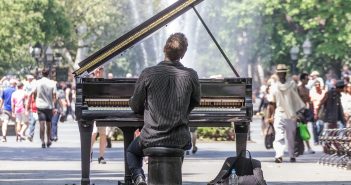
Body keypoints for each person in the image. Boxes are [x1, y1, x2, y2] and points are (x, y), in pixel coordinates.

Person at [126, 33, 200, 185]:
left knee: (132, 151)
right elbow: (196, 101)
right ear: (183, 54)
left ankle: (139, 177)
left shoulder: (148, 73)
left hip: (151, 137)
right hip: (179, 137)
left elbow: (136, 105)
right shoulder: (191, 75)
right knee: (181, 145)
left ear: (164, 49)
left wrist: (133, 103)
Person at [270, 64, 305, 163]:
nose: (281, 74)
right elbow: (272, 102)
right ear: (277, 73)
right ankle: (279, 155)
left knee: (291, 136)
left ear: (285, 73)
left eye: (282, 72)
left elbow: (297, 98)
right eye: (279, 72)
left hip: (291, 114)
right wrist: (271, 115)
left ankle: (292, 155)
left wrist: (298, 112)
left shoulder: (292, 84)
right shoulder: (274, 86)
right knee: (279, 135)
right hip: (279, 112)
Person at [33, 68, 57, 148]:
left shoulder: (37, 82)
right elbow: (54, 96)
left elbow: (34, 93)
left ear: (42, 74)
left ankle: (42, 141)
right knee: (49, 124)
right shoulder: (52, 83)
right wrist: (53, 106)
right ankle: (48, 140)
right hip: (49, 106)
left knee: (41, 124)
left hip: (40, 105)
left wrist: (35, 100)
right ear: (48, 74)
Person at [90, 67, 107, 164]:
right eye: (97, 70)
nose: (98, 72)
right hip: (93, 110)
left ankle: (101, 156)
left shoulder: (104, 83)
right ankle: (89, 152)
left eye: (100, 70)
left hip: (102, 110)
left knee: (103, 134)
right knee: (93, 133)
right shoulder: (91, 83)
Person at [297, 73, 315, 154]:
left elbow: (308, 100)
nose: (308, 80)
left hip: (304, 111)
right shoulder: (297, 89)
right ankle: (298, 147)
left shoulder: (307, 89)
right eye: (307, 79)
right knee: (297, 129)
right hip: (297, 111)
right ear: (302, 80)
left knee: (304, 128)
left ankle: (308, 147)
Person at [310, 80, 326, 144]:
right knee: (314, 126)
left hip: (321, 110)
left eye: (318, 84)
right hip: (314, 109)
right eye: (316, 85)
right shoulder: (312, 92)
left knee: (321, 125)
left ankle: (320, 138)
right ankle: (316, 140)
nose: (317, 86)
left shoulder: (323, 92)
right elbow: (310, 102)